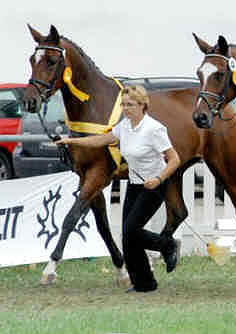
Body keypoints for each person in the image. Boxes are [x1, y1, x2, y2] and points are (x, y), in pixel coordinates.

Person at [56, 85, 181, 293]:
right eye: (123, 104)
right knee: (127, 234)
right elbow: (100, 140)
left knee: (131, 229)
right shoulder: (124, 127)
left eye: (130, 105)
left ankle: (167, 245)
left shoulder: (154, 129)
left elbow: (174, 159)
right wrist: (70, 140)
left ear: (143, 105)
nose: (125, 108)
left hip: (155, 185)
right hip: (134, 184)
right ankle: (144, 283)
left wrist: (159, 179)